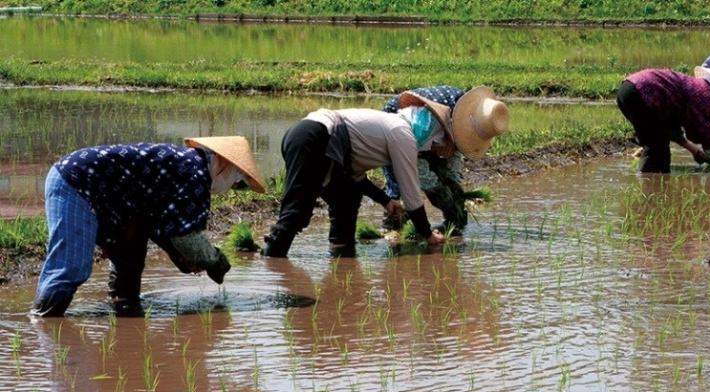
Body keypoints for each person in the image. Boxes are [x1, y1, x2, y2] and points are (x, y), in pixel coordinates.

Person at [260, 86, 509, 258]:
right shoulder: (402, 134)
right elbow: (410, 189)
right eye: (436, 141)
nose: (435, 147)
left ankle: (342, 256)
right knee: (297, 210)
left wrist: (386, 201)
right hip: (315, 136)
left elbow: (356, 177)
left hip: (319, 139)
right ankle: (272, 264)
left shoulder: (388, 132)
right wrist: (427, 234)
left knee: (346, 199)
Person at [31, 136, 266, 317]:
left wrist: (183, 260)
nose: (232, 188)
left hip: (112, 199)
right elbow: (184, 236)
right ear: (225, 165)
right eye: (238, 184)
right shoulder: (194, 172)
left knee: (130, 256)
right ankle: (44, 321)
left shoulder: (187, 164)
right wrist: (214, 261)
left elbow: (163, 227)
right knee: (71, 267)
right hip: (79, 182)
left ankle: (122, 306)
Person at [381, 85, 468, 234]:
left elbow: (453, 156)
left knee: (446, 183)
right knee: (400, 184)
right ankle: (394, 227)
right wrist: (437, 188)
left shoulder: (466, 115)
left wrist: (452, 185)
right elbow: (412, 165)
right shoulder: (422, 125)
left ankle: (455, 219)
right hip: (401, 130)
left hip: (430, 131)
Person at [616, 67, 710, 173]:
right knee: (657, 148)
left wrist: (694, 150)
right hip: (640, 92)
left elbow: (668, 127)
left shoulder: (695, 86)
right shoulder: (705, 95)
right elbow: (709, 132)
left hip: (627, 89)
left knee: (656, 140)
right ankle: (650, 189)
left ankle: (648, 183)